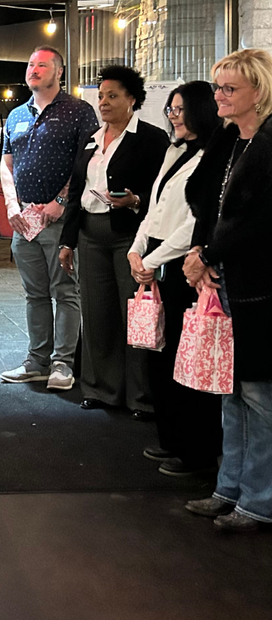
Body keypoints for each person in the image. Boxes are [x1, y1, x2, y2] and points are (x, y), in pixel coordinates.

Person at [183, 48, 272, 533]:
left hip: (259, 287)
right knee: (231, 392)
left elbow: (258, 222)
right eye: (217, 87)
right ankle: (229, 487)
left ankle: (259, 501)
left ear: (258, 92)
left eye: (229, 88)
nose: (218, 96)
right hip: (226, 278)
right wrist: (202, 250)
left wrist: (208, 255)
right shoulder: (232, 140)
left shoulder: (268, 144)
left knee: (259, 396)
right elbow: (204, 200)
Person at [59, 65, 168, 417]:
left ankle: (141, 397)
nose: (104, 102)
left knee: (134, 315)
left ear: (132, 99)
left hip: (130, 236)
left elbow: (162, 193)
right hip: (90, 234)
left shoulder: (151, 139)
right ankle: (101, 389)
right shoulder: (92, 138)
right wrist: (67, 241)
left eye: (113, 96)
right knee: (97, 313)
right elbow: (76, 192)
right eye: (101, 96)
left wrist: (134, 200)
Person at [127, 82, 222, 474]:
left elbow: (194, 223)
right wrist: (137, 250)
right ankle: (171, 439)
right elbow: (154, 208)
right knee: (161, 357)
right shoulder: (173, 151)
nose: (173, 116)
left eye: (181, 109)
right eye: (171, 109)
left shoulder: (214, 156)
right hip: (158, 258)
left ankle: (196, 452)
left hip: (186, 263)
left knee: (188, 359)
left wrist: (153, 258)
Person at [0, 46, 99, 391]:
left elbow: (88, 161)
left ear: (58, 72)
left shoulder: (78, 111)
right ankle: (36, 361)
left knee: (65, 291)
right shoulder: (15, 116)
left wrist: (62, 199)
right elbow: (7, 163)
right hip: (25, 219)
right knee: (34, 294)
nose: (34, 69)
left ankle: (63, 364)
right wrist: (11, 205)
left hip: (59, 217)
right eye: (30, 64)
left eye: (42, 65)